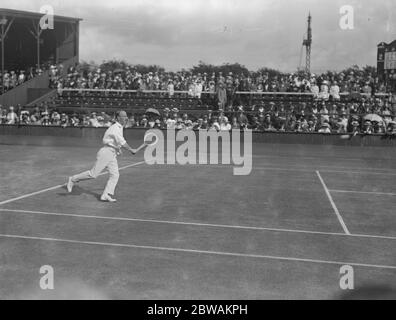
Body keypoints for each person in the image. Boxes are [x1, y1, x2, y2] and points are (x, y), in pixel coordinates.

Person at [66, 111, 138, 202]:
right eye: (123, 116)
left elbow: (115, 142)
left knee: (115, 175)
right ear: (118, 118)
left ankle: (106, 194)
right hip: (106, 153)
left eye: (126, 116)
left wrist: (118, 149)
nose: (126, 118)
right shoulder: (115, 128)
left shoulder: (120, 127)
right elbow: (122, 142)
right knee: (93, 174)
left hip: (112, 153)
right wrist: (131, 149)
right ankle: (73, 179)